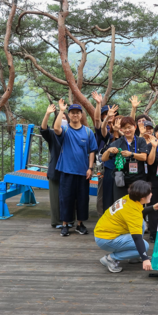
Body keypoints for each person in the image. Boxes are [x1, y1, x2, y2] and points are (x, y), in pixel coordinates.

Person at [94, 180, 158, 273]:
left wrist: (153, 207)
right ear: (143, 198)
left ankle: (134, 256)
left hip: (104, 233)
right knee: (145, 246)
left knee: (141, 223)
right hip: (106, 240)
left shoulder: (129, 199)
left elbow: (138, 212)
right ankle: (110, 258)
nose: (151, 194)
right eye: (150, 192)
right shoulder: (133, 213)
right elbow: (137, 238)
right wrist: (145, 259)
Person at [53, 100, 98, 237]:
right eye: (72, 113)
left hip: (83, 171)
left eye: (77, 113)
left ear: (81, 115)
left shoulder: (88, 132)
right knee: (66, 198)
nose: (75, 115)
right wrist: (61, 110)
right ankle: (65, 224)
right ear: (69, 115)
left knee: (83, 199)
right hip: (67, 170)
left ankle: (80, 224)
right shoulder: (65, 130)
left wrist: (90, 168)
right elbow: (56, 128)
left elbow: (92, 151)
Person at [101, 116, 149, 203]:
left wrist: (131, 154)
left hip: (138, 180)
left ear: (135, 127)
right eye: (124, 128)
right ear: (121, 129)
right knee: (121, 205)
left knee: (137, 205)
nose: (127, 130)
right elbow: (103, 158)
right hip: (121, 180)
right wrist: (108, 151)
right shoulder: (117, 143)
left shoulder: (141, 141)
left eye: (129, 127)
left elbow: (144, 157)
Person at [40, 103, 64, 228]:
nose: (63, 120)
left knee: (69, 197)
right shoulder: (52, 134)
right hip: (55, 170)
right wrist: (47, 114)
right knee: (55, 199)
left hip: (70, 170)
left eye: (65, 118)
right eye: (60, 118)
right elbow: (43, 129)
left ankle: (69, 220)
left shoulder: (71, 134)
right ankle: (57, 221)